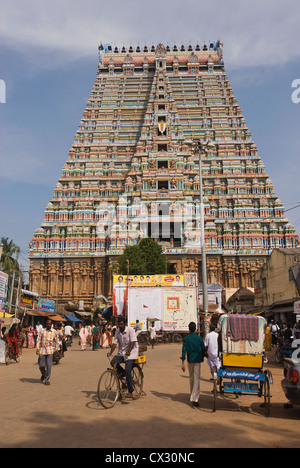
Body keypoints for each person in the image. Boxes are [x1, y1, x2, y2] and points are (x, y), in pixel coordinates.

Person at [108, 317, 139, 398]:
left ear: (125, 324)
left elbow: (132, 341)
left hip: (131, 352)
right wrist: (111, 352)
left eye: (121, 324)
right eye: (119, 324)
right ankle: (124, 374)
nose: (120, 326)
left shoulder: (130, 330)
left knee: (128, 369)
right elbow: (115, 343)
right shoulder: (117, 331)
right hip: (122, 352)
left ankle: (130, 391)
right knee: (113, 363)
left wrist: (129, 351)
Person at [181, 322, 206, 407]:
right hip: (197, 360)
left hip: (190, 360)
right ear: (195, 329)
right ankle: (195, 398)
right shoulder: (199, 338)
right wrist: (204, 356)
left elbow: (184, 350)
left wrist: (182, 362)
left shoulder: (186, 339)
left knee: (191, 377)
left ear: (189, 329)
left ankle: (192, 394)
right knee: (196, 378)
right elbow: (203, 349)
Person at [36, 319, 59, 386]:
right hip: (42, 350)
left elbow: (57, 341)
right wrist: (37, 348)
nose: (48, 325)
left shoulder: (54, 332)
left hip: (50, 350)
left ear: (51, 324)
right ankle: (44, 374)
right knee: (41, 365)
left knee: (49, 365)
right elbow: (38, 340)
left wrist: (55, 348)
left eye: (49, 324)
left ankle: (47, 379)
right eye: (47, 324)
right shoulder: (42, 331)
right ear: (46, 324)